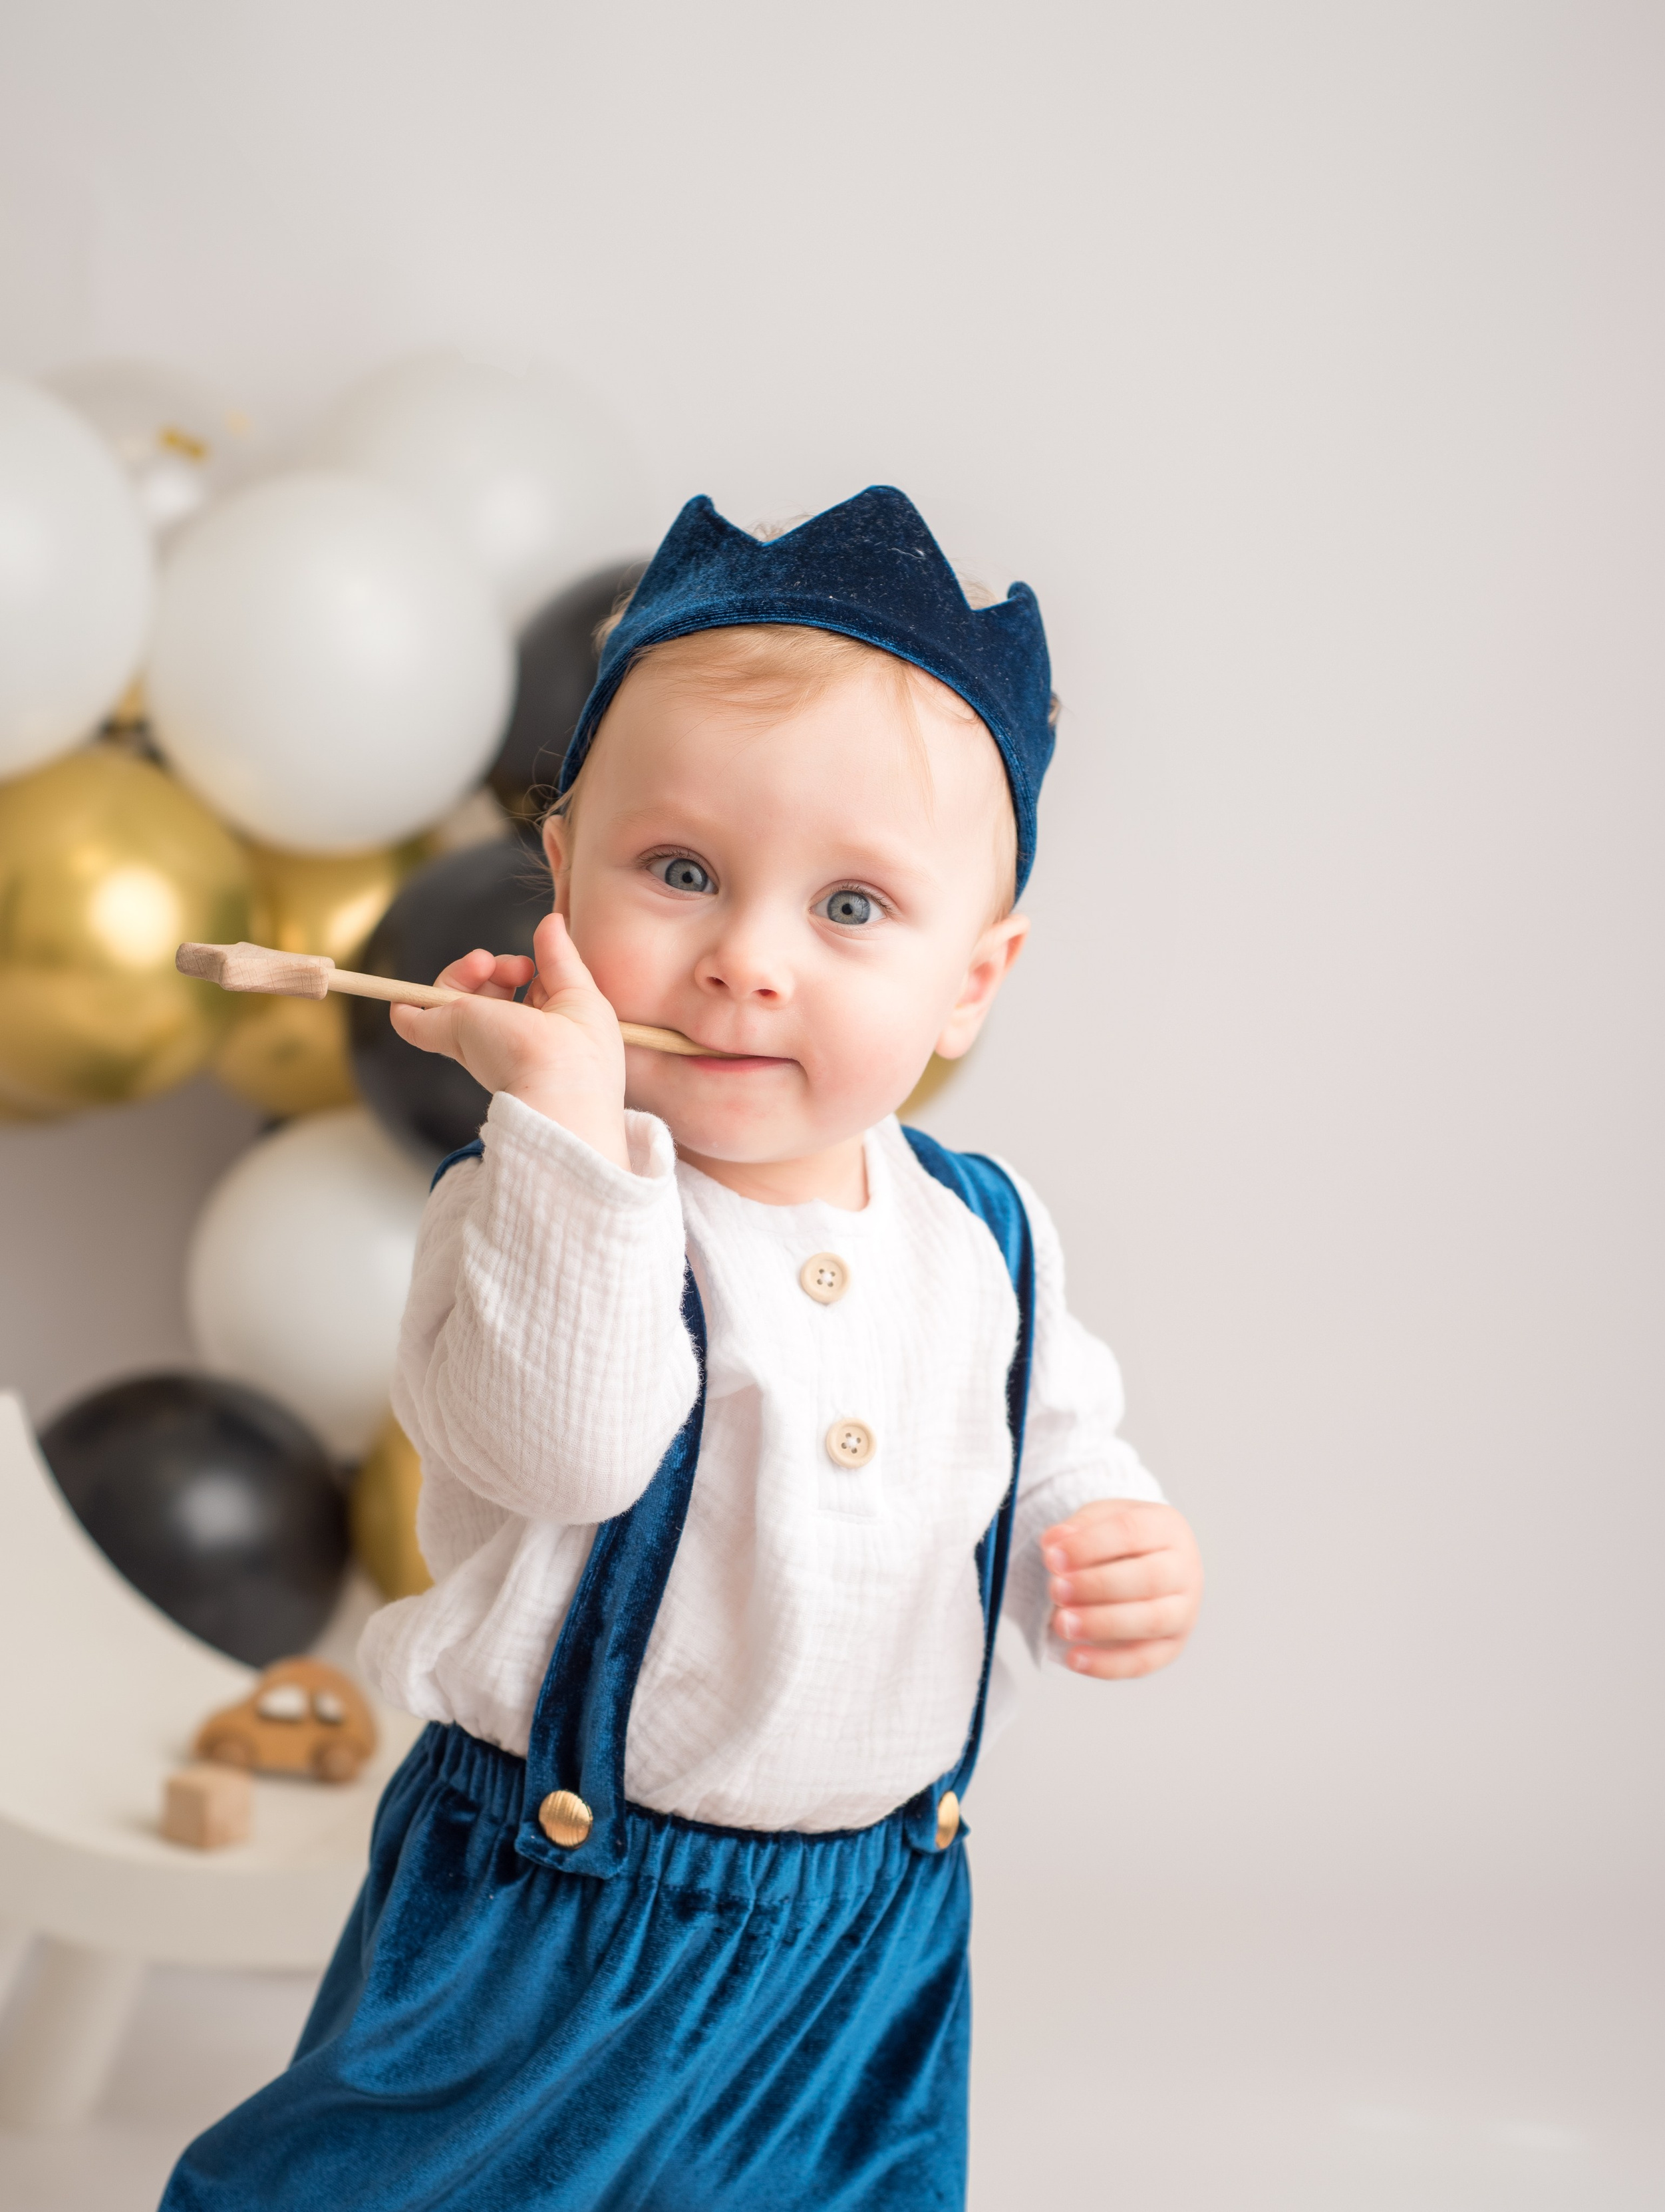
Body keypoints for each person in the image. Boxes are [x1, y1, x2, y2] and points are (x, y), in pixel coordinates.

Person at [160, 485, 1203, 2211]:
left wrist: (1103, 1533)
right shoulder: (543, 1204)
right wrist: (565, 1132)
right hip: (560, 1922)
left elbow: (1042, 1434)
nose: (743, 964)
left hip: (863, 1933)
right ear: (557, 879)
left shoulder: (987, 1233)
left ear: (975, 979)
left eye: (853, 908)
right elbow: (566, 1452)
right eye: (683, 872)